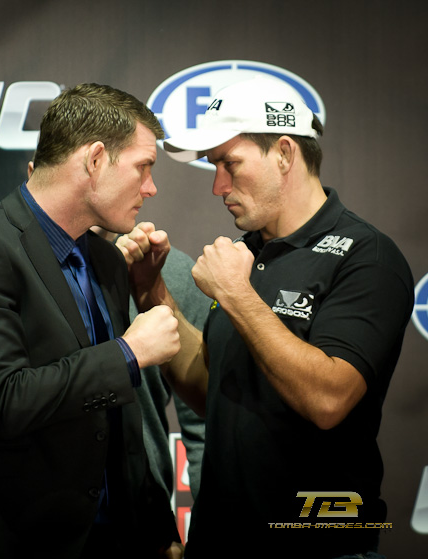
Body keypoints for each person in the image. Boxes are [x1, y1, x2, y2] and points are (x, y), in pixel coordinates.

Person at [119, 77, 414, 558]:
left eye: (229, 164)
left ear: (283, 152)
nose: (217, 186)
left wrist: (236, 294)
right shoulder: (250, 252)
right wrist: (154, 294)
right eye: (214, 166)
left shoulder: (366, 257)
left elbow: (328, 399)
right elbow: (215, 387)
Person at [0, 83, 183, 558]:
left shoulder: (107, 262)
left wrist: (157, 525)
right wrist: (128, 353)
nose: (151, 188)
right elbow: (3, 400)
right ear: (94, 160)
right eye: (144, 168)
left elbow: (115, 424)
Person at [0, 244, 210, 550]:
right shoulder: (0, 268)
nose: (148, 188)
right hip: (16, 530)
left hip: (134, 533)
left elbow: (205, 429)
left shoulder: (170, 272)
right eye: (140, 180)